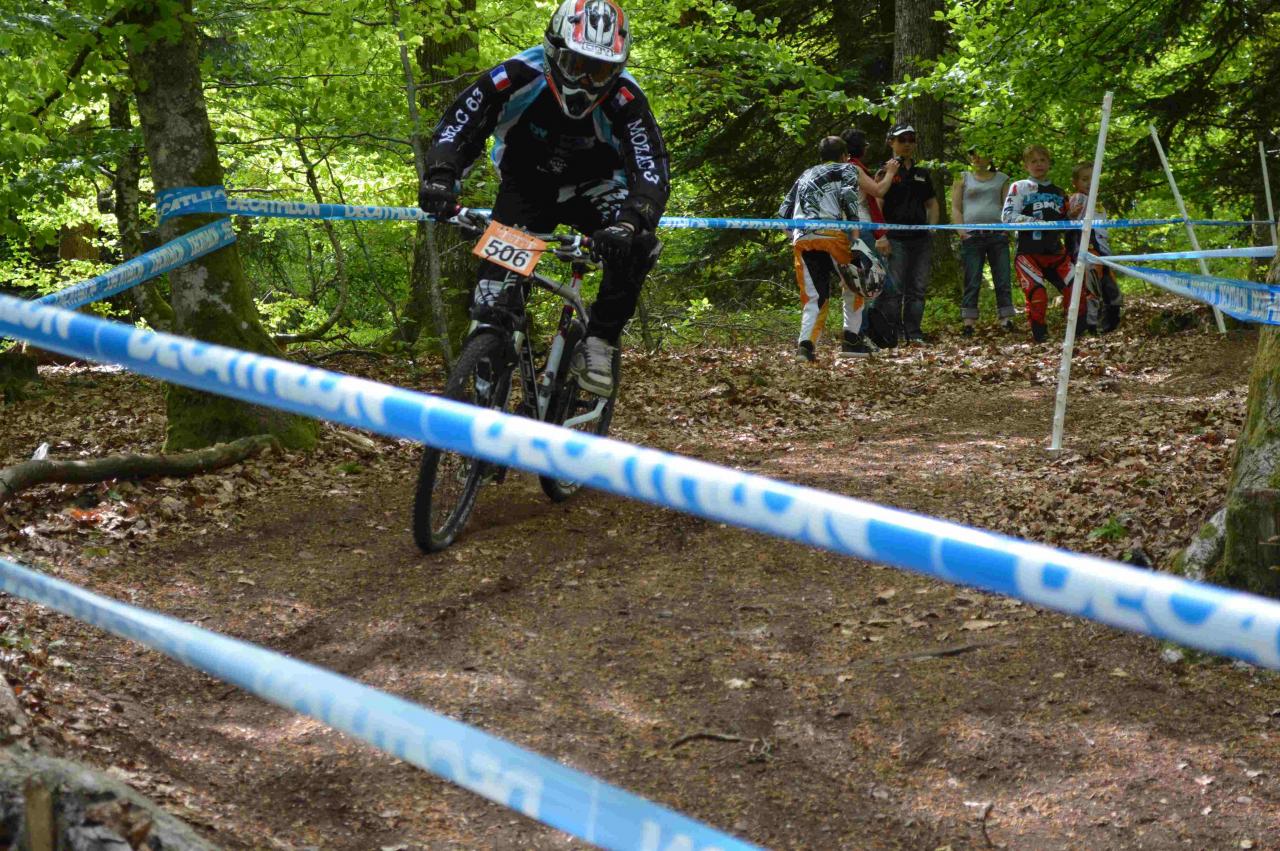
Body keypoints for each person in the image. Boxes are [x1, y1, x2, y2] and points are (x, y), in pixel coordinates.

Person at [417, 0, 668, 397]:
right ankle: (486, 368)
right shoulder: (516, 75)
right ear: (553, 50)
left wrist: (630, 220)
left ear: (617, 69)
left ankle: (599, 341)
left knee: (638, 244)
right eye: (576, 64)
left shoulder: (626, 99)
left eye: (599, 70)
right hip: (527, 188)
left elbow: (650, 167)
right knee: (491, 303)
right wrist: (441, 178)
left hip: (597, 189)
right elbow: (458, 126)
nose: (586, 81)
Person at [779, 136, 885, 362]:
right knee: (855, 285)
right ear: (845, 156)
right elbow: (849, 199)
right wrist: (855, 240)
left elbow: (784, 212)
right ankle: (852, 340)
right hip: (834, 235)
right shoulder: (848, 169)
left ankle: (805, 347)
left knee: (814, 296)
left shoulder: (805, 174)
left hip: (803, 238)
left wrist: (795, 236)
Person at [1001, 144, 1079, 343]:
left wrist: (1071, 216)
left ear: (1049, 163)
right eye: (1033, 161)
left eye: (1042, 160)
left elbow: (1064, 222)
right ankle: (1040, 336)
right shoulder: (1019, 187)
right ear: (1026, 165)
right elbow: (1007, 217)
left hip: (1055, 251)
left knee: (1076, 288)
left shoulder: (1059, 192)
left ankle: (1077, 332)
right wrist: (1035, 222)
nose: (1038, 164)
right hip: (1028, 252)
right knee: (1038, 295)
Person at [873, 123, 940, 345]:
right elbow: (877, 204)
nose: (908, 144)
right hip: (894, 238)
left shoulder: (922, 173)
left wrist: (932, 227)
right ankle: (893, 332)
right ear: (891, 142)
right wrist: (881, 235)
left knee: (918, 288)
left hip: (920, 239)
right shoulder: (885, 172)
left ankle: (914, 332)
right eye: (902, 139)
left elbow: (932, 203)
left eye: (912, 139)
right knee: (894, 289)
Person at [841, 128, 898, 349]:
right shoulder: (853, 167)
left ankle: (862, 333)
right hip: (860, 230)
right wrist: (891, 173)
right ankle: (869, 332)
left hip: (850, 230)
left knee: (859, 284)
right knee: (874, 284)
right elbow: (879, 191)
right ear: (861, 148)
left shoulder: (844, 168)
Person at [951, 148, 1014, 336]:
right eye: (972, 154)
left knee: (1002, 278)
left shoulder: (1002, 179)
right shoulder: (962, 177)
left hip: (997, 235)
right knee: (972, 279)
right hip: (972, 236)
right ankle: (968, 323)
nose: (976, 157)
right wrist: (961, 232)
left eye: (981, 153)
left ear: (990, 156)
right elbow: (956, 207)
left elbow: (1008, 207)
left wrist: (1006, 231)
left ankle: (1006, 319)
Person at [1065, 162, 1123, 334]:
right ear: (1075, 182)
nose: (1090, 183)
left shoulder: (1098, 204)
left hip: (1104, 253)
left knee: (1111, 287)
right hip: (1088, 251)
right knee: (1092, 288)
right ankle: (1091, 326)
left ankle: (1110, 323)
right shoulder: (1078, 198)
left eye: (1093, 179)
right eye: (1085, 179)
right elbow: (1070, 219)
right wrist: (1071, 215)